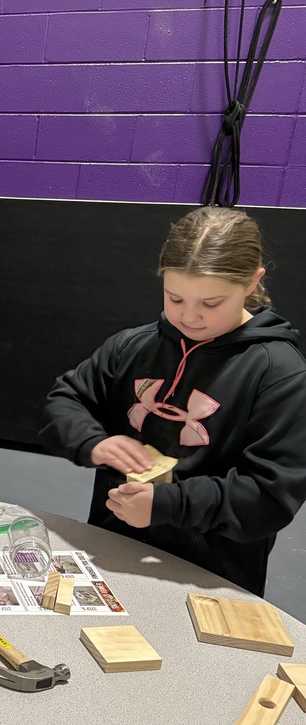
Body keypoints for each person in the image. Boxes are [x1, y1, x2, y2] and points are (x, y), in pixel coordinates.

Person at [39, 206, 306, 597]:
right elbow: (65, 400)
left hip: (212, 573)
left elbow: (269, 497)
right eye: (174, 297)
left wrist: (168, 504)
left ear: (252, 282)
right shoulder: (133, 345)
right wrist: (94, 442)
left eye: (211, 303)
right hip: (114, 543)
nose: (189, 317)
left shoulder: (280, 373)